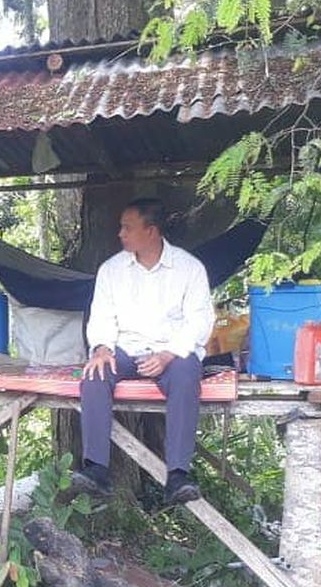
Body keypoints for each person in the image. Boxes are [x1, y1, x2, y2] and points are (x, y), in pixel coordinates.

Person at [73, 199, 215, 505]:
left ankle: (178, 475)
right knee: (95, 375)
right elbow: (101, 317)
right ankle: (96, 468)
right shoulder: (111, 270)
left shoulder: (189, 268)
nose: (120, 234)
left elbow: (201, 320)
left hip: (172, 352)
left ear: (151, 231)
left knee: (188, 374)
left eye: (127, 227)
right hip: (126, 349)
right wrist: (100, 348)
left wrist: (168, 354)